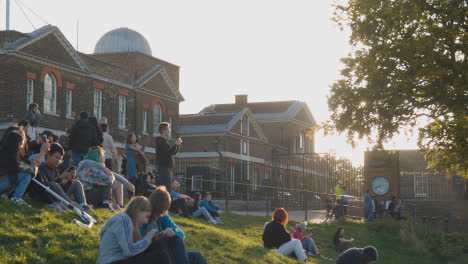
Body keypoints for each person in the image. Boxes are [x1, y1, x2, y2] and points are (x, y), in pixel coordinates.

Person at [97, 196, 176, 264]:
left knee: (159, 244)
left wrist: (152, 239)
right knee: (160, 255)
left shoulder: (126, 221)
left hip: (119, 260)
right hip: (111, 262)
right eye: (146, 216)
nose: (146, 221)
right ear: (138, 211)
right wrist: (147, 238)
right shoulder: (124, 219)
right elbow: (130, 250)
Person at [141, 186, 208, 264]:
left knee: (197, 256)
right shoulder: (144, 216)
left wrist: (173, 232)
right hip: (154, 254)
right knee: (176, 240)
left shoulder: (163, 216)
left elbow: (181, 233)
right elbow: (140, 241)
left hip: (166, 252)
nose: (159, 214)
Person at [28, 143, 91, 212]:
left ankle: (83, 204)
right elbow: (46, 187)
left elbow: (61, 190)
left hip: (56, 196)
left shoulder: (55, 170)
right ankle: (72, 204)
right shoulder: (41, 167)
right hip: (43, 196)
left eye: (60, 159)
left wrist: (70, 181)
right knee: (53, 184)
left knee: (76, 183)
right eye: (56, 157)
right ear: (48, 155)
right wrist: (61, 178)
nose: (58, 161)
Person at [0, 130, 48, 207]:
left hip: (3, 182)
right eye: (22, 143)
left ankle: (5, 194)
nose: (22, 146)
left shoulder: (3, 152)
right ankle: (16, 197)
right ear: (18, 144)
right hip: (2, 183)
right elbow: (29, 170)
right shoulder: (12, 157)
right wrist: (34, 166)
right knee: (26, 175)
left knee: (14, 177)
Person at [155, 122, 182, 192]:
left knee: (167, 188)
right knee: (167, 188)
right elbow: (168, 153)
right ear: (163, 130)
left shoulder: (164, 141)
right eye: (168, 129)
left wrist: (178, 145)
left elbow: (173, 153)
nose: (169, 130)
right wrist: (175, 144)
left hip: (167, 168)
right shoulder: (161, 141)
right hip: (164, 168)